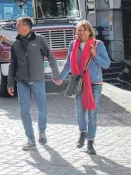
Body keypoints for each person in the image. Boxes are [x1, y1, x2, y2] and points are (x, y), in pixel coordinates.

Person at [55, 20, 110, 155]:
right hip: (78, 82)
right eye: (79, 30)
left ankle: (90, 143)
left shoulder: (98, 45)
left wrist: (95, 55)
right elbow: (68, 63)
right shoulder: (73, 45)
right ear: (76, 32)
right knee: (79, 112)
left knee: (92, 114)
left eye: (85, 30)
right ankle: (82, 133)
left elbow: (107, 64)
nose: (82, 32)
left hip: (94, 84)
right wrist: (61, 77)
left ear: (90, 31)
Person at [7, 17, 60, 151]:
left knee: (42, 109)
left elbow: (51, 56)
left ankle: (42, 131)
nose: (16, 27)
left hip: (38, 80)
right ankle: (30, 138)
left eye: (18, 25)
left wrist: (56, 75)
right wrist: (10, 83)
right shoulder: (15, 44)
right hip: (22, 82)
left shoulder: (40, 40)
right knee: (24, 111)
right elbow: (12, 64)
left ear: (26, 26)